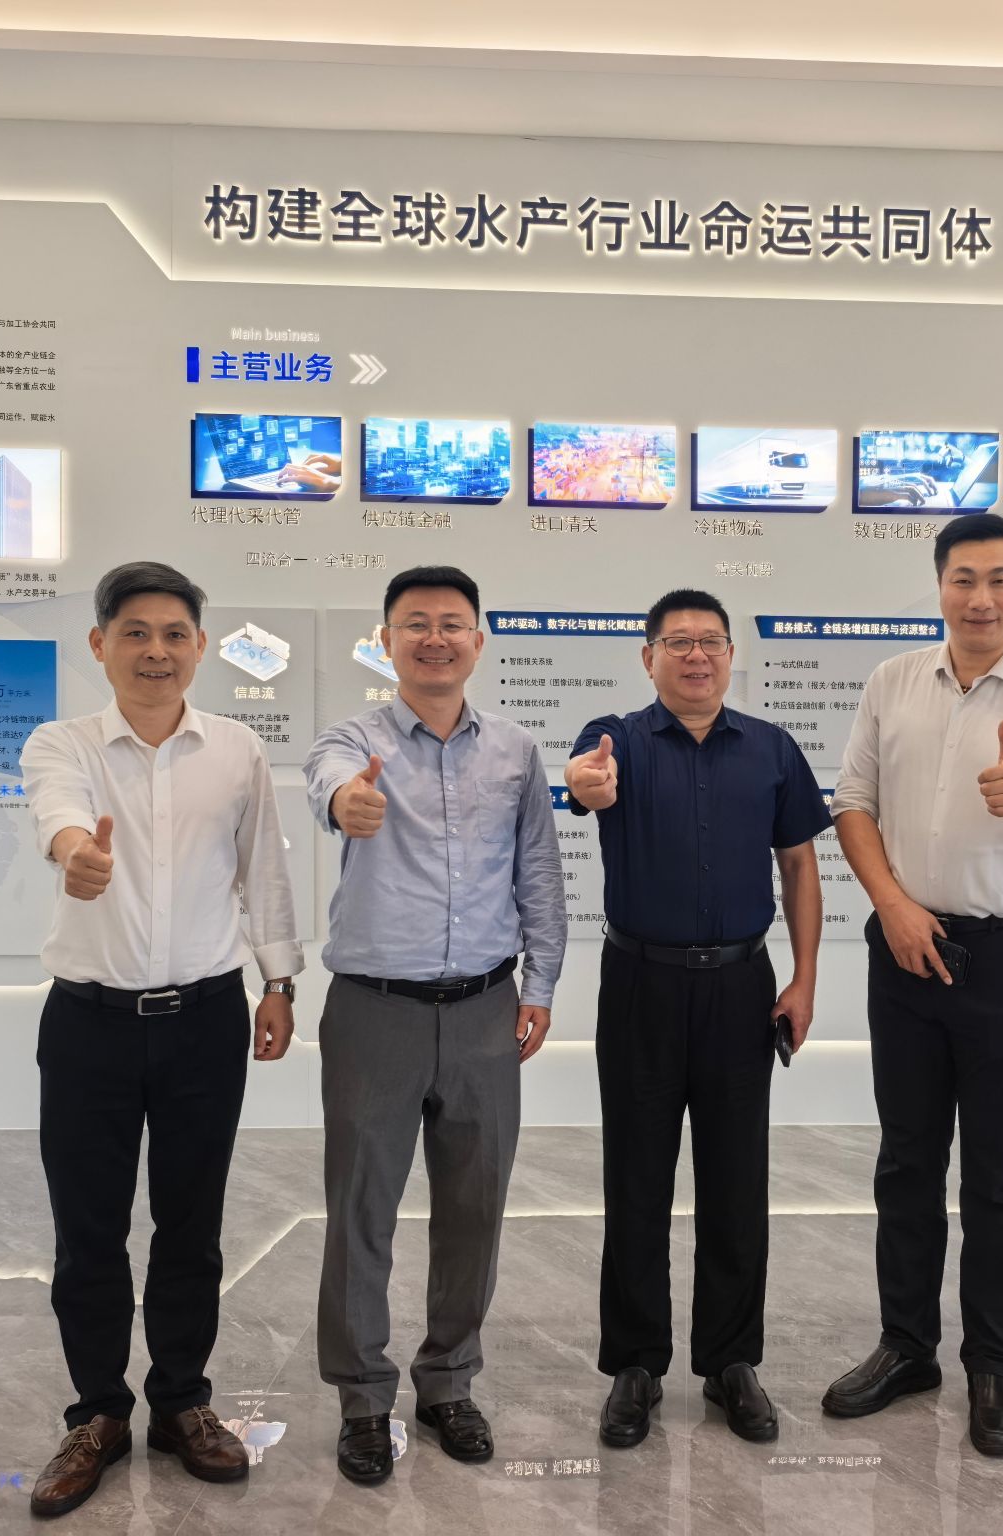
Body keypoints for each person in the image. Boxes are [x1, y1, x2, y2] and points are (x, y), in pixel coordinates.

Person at [19, 561, 301, 1518]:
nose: (156, 651)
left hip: (206, 1021)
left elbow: (263, 872)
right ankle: (97, 1414)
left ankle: (182, 1401)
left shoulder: (236, 749)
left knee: (191, 1224)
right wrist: (77, 854)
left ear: (201, 647)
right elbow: (58, 812)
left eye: (175, 633)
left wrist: (278, 980)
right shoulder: (61, 742)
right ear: (100, 645)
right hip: (88, 1025)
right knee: (88, 1231)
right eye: (135, 633)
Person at [822, 513, 1003, 1458]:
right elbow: (852, 802)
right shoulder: (892, 681)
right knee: (907, 1161)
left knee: (1000, 1169)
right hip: (905, 944)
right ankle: (907, 1347)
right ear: (940, 584)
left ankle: (993, 1364)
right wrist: (893, 906)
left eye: (1000, 580)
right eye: (964, 579)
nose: (981, 599)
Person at [304, 564, 565, 1484]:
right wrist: (349, 803)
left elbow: (539, 869)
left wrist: (541, 983)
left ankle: (449, 1381)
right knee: (361, 1210)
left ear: (478, 641)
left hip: (488, 1008)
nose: (435, 639)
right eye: (415, 624)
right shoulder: (352, 740)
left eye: (453, 623)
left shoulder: (517, 750)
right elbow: (330, 785)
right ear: (387, 642)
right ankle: (362, 1398)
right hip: (375, 1010)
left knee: (474, 1209)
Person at [565, 589, 830, 1449]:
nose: (696, 656)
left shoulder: (773, 748)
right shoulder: (615, 738)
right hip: (638, 983)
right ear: (648, 658)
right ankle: (635, 1365)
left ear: (730, 656)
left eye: (710, 641)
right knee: (636, 1178)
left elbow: (799, 866)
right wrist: (587, 785)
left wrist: (804, 979)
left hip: (741, 987)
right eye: (677, 642)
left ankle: (730, 1362)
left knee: (736, 1183)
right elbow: (585, 783)